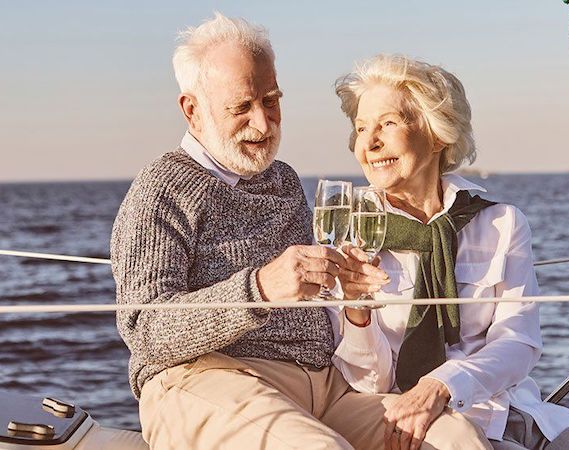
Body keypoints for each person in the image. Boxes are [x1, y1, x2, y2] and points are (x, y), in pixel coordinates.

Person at [111, 13, 491, 450]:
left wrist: (349, 295)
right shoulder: (162, 188)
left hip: (321, 386)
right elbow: (143, 329)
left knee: (455, 437)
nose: (263, 122)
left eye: (271, 100)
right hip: (206, 378)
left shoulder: (283, 180)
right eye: (241, 107)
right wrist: (258, 290)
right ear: (192, 110)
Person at [332, 54, 569, 450]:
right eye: (361, 128)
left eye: (388, 123)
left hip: (518, 414)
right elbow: (367, 384)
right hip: (430, 431)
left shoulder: (502, 223)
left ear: (437, 135)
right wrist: (357, 311)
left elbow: (518, 342)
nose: (369, 143)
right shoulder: (345, 231)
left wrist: (445, 383)